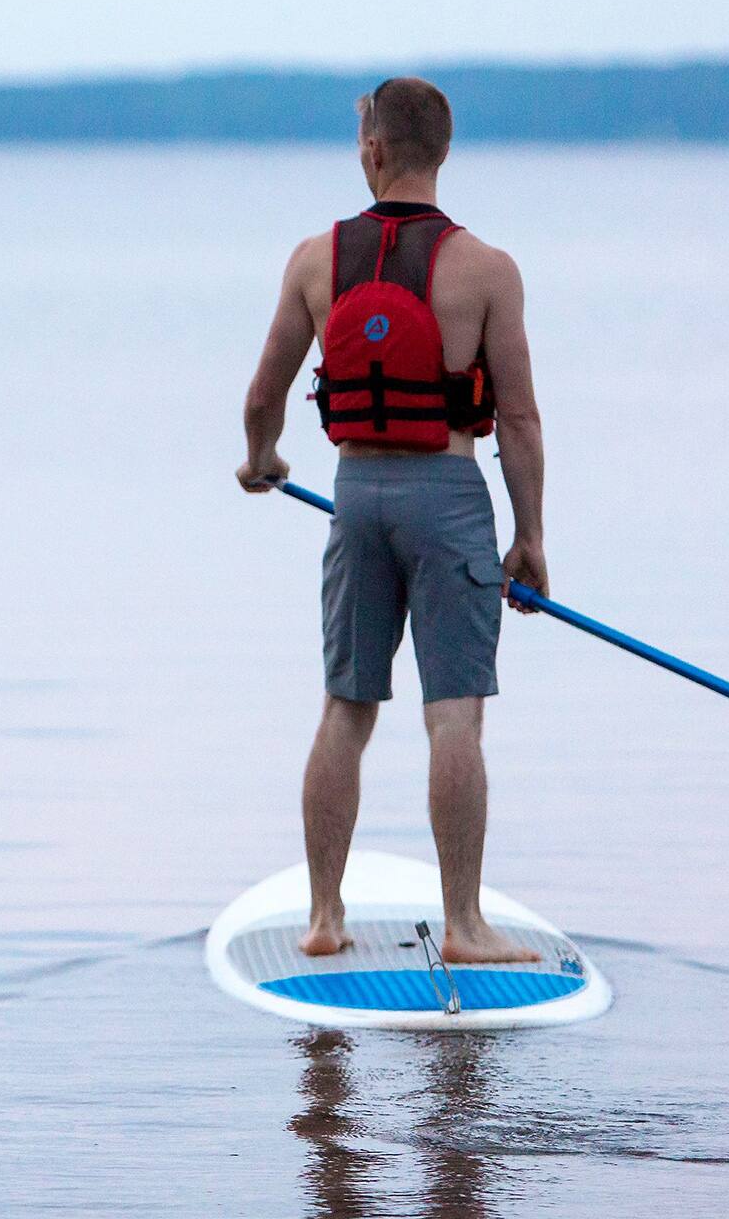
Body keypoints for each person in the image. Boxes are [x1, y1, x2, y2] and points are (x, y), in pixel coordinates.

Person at [236, 76, 546, 964]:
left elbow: (263, 398)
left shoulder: (312, 261)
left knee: (346, 710)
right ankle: (463, 927)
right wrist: (529, 539)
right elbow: (519, 419)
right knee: (454, 718)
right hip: (448, 500)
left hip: (357, 499)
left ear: (373, 150)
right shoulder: (487, 271)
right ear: (442, 153)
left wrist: (263, 463)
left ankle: (326, 918)